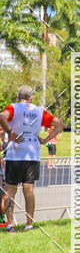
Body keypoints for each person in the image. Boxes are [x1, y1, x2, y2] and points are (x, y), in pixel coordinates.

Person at [0, 85, 64, 231]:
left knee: (10, 190)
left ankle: (10, 225)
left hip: (14, 154)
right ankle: (29, 225)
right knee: (29, 191)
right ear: (31, 98)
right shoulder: (39, 111)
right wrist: (46, 139)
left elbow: (1, 117)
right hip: (32, 155)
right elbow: (60, 125)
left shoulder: (13, 107)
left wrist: (10, 132)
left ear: (17, 95)